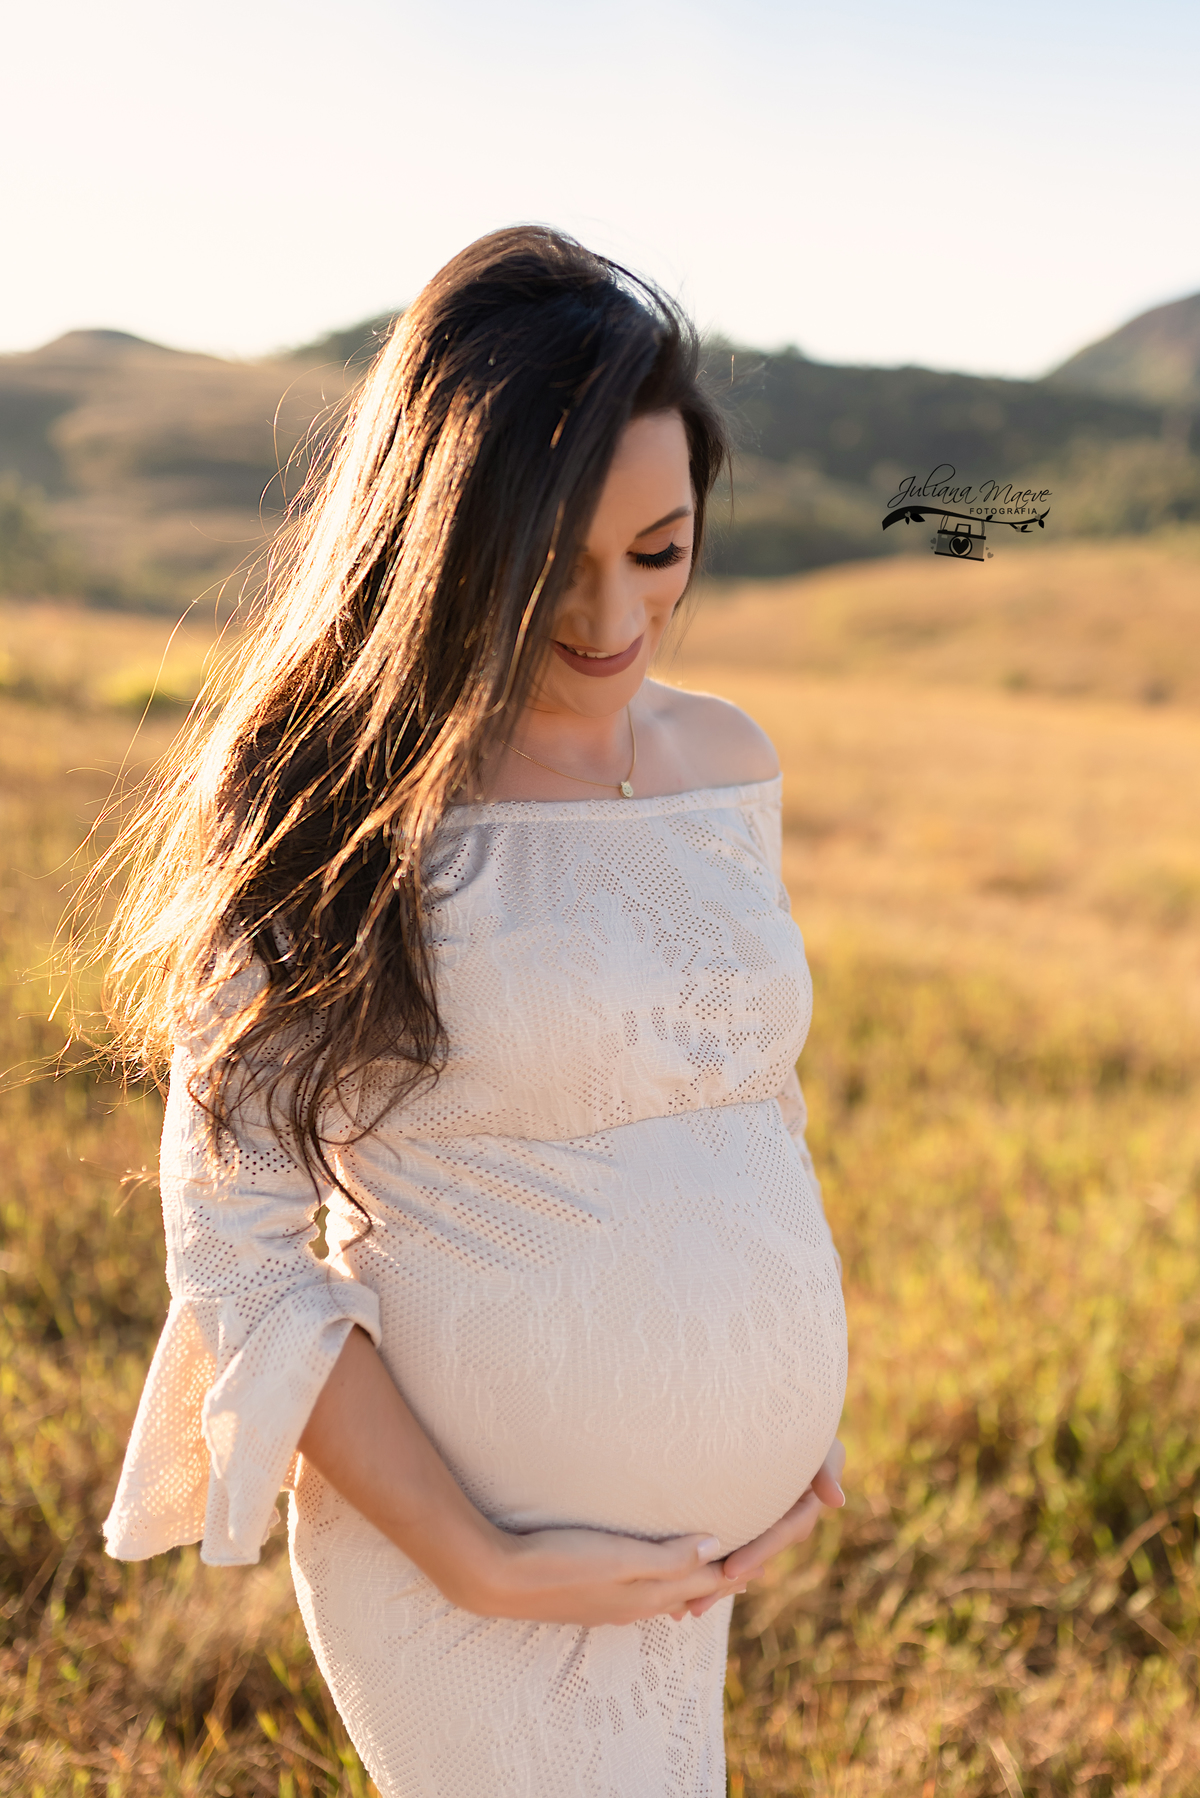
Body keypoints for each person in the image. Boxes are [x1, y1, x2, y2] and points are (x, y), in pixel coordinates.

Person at [100, 226, 848, 1798]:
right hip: (461, 1567)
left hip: (684, 1564)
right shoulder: (330, 803)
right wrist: (481, 1559)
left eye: (660, 550)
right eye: (548, 563)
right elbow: (237, 1248)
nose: (612, 616)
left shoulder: (723, 759)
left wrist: (780, 1391)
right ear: (440, 542)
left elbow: (737, 1096)